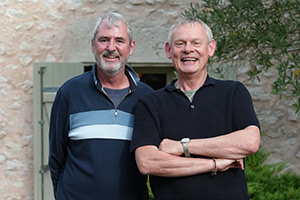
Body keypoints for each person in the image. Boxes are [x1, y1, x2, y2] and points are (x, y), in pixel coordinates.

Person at [130, 16, 260, 200]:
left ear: (210, 48)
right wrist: (215, 163)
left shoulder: (233, 93)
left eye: (196, 42)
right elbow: (147, 162)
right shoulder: (150, 103)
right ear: (169, 50)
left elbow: (250, 142)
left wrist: (181, 146)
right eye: (180, 43)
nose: (188, 49)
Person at [48, 12, 153, 200]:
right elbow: (56, 160)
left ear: (131, 47)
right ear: (92, 45)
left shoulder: (148, 98)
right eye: (104, 40)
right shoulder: (69, 93)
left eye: (119, 40)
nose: (111, 47)